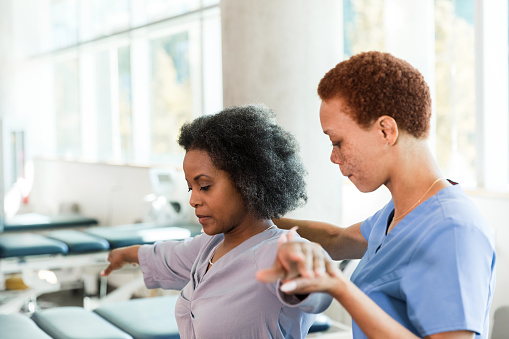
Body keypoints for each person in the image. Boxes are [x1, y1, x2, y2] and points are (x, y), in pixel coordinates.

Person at [257, 51, 496, 339]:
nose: (334, 157)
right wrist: (257, 222)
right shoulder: (399, 212)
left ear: (386, 130)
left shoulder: (453, 228)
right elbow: (337, 239)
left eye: (338, 142)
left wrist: (339, 287)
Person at [101, 104, 332, 338]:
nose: (193, 200)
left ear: (247, 181)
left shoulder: (274, 253)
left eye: (205, 186)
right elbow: (168, 255)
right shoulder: (210, 246)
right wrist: (125, 254)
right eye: (191, 187)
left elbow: (317, 294)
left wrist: (308, 274)